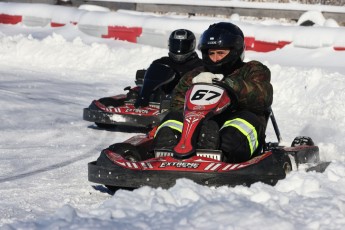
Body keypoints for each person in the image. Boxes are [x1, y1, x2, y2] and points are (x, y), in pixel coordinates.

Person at [153, 22, 273, 163]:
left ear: (235, 51)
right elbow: (177, 104)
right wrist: (195, 92)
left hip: (235, 129)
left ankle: (221, 152)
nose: (215, 58)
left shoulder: (252, 69)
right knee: (173, 117)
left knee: (243, 121)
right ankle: (165, 152)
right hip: (199, 128)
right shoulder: (196, 75)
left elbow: (263, 95)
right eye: (211, 53)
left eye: (221, 53)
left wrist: (227, 84)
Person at [134, 29, 203, 95]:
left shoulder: (200, 66)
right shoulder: (161, 63)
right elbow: (149, 81)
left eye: (184, 46)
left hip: (188, 103)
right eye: (176, 45)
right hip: (159, 102)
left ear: (192, 45)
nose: (179, 49)